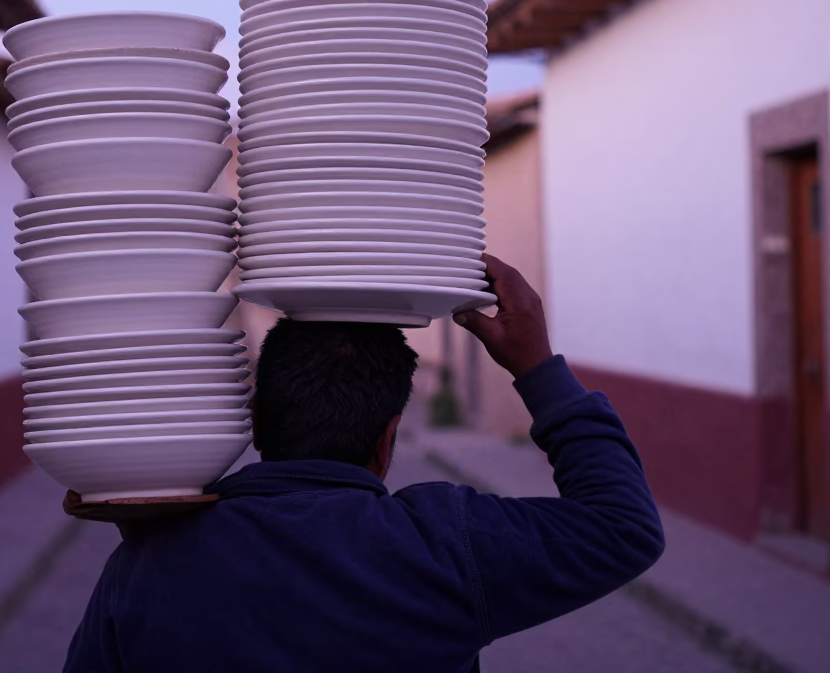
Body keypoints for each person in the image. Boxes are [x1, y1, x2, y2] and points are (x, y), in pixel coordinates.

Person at [63, 255, 665, 672]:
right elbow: (624, 527)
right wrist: (537, 366)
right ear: (388, 439)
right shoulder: (447, 549)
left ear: (255, 416)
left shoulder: (148, 559)